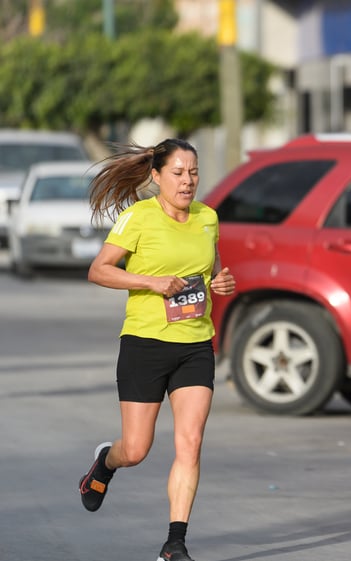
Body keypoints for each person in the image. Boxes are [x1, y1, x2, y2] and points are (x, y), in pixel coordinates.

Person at [78, 138, 235, 561]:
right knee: (137, 448)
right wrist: (151, 282)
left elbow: (213, 270)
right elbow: (99, 270)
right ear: (157, 176)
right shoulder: (138, 218)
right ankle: (105, 464)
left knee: (191, 441)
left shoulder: (208, 218)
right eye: (179, 173)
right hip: (145, 344)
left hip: (195, 344)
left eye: (194, 173)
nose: (188, 182)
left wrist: (222, 282)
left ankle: (175, 542)